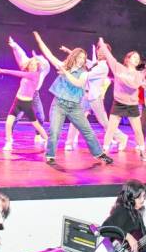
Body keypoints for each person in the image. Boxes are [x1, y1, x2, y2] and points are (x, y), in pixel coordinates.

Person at [32, 31, 113, 165]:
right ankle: (50, 155)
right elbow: (49, 55)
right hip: (59, 104)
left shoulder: (84, 73)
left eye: (83, 58)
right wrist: (40, 41)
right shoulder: (64, 66)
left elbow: (78, 83)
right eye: (79, 57)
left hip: (75, 106)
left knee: (87, 131)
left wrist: (65, 73)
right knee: (54, 131)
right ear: (74, 57)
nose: (81, 60)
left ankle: (99, 154)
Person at [63, 43, 128, 151]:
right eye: (99, 50)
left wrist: (69, 73)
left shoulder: (103, 67)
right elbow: (83, 61)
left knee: (104, 122)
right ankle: (69, 142)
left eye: (104, 50)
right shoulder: (95, 64)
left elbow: (86, 75)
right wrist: (69, 52)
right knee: (75, 118)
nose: (101, 52)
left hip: (95, 97)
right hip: (85, 96)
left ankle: (122, 137)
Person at [97, 37, 146, 161]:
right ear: (127, 59)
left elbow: (134, 85)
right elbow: (109, 56)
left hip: (132, 105)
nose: (136, 59)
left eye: (138, 58)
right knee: (110, 130)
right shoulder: (118, 68)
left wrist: (122, 78)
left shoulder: (139, 74)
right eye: (133, 57)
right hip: (118, 104)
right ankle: (104, 152)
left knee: (138, 131)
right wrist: (102, 44)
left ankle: (143, 152)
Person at [0, 53, 48, 151]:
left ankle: (48, 140)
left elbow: (17, 73)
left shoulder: (35, 75)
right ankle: (9, 143)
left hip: (27, 104)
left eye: (34, 65)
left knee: (36, 124)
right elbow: (21, 60)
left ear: (37, 67)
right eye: (31, 65)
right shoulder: (27, 73)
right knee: (9, 122)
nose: (32, 67)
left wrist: (2, 70)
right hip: (17, 101)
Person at [8, 36, 51, 143]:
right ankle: (9, 137)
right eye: (35, 61)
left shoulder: (44, 70)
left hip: (34, 95)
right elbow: (21, 53)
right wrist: (14, 45)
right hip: (24, 94)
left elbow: (46, 64)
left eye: (39, 62)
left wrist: (39, 58)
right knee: (16, 117)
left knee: (41, 116)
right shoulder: (29, 63)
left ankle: (38, 135)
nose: (35, 64)